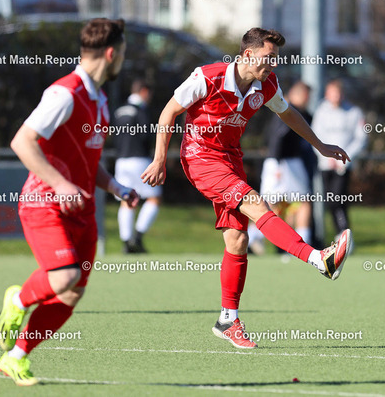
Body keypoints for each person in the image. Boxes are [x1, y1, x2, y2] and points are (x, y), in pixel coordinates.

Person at [142, 28, 353, 349]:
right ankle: (319, 259)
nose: (273, 64)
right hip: (200, 158)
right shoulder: (207, 77)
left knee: (238, 240)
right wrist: (159, 159)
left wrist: (320, 146)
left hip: (231, 159)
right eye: (269, 57)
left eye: (276, 59)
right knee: (256, 204)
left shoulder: (266, 85)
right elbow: (169, 112)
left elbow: (289, 114)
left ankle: (228, 319)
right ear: (248, 55)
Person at [0, 18, 138, 386]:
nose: (124, 60)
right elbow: (22, 142)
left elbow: (88, 162)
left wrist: (117, 188)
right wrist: (59, 184)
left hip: (82, 209)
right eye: (123, 53)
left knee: (73, 292)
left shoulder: (100, 100)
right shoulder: (65, 93)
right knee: (65, 276)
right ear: (112, 53)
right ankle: (19, 300)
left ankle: (15, 358)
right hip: (44, 201)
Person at [248, 81, 314, 254]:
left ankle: (254, 238)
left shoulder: (296, 111)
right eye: (307, 96)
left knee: (276, 203)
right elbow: (278, 137)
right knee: (299, 202)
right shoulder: (288, 111)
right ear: (299, 95)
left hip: (281, 162)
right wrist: (277, 165)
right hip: (283, 164)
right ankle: (302, 244)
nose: (308, 100)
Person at [312, 79, 367, 237]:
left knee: (338, 199)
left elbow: (361, 138)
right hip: (325, 164)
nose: (336, 96)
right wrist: (325, 154)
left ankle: (344, 233)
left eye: (338, 93)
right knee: (331, 201)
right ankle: (340, 234)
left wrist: (345, 156)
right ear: (327, 94)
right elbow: (314, 136)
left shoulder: (354, 112)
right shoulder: (321, 112)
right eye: (332, 93)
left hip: (343, 166)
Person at [113, 80, 162, 253]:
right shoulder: (141, 110)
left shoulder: (119, 110)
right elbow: (147, 135)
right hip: (139, 159)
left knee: (126, 200)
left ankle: (127, 243)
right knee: (154, 198)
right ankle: (138, 238)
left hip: (121, 161)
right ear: (144, 91)